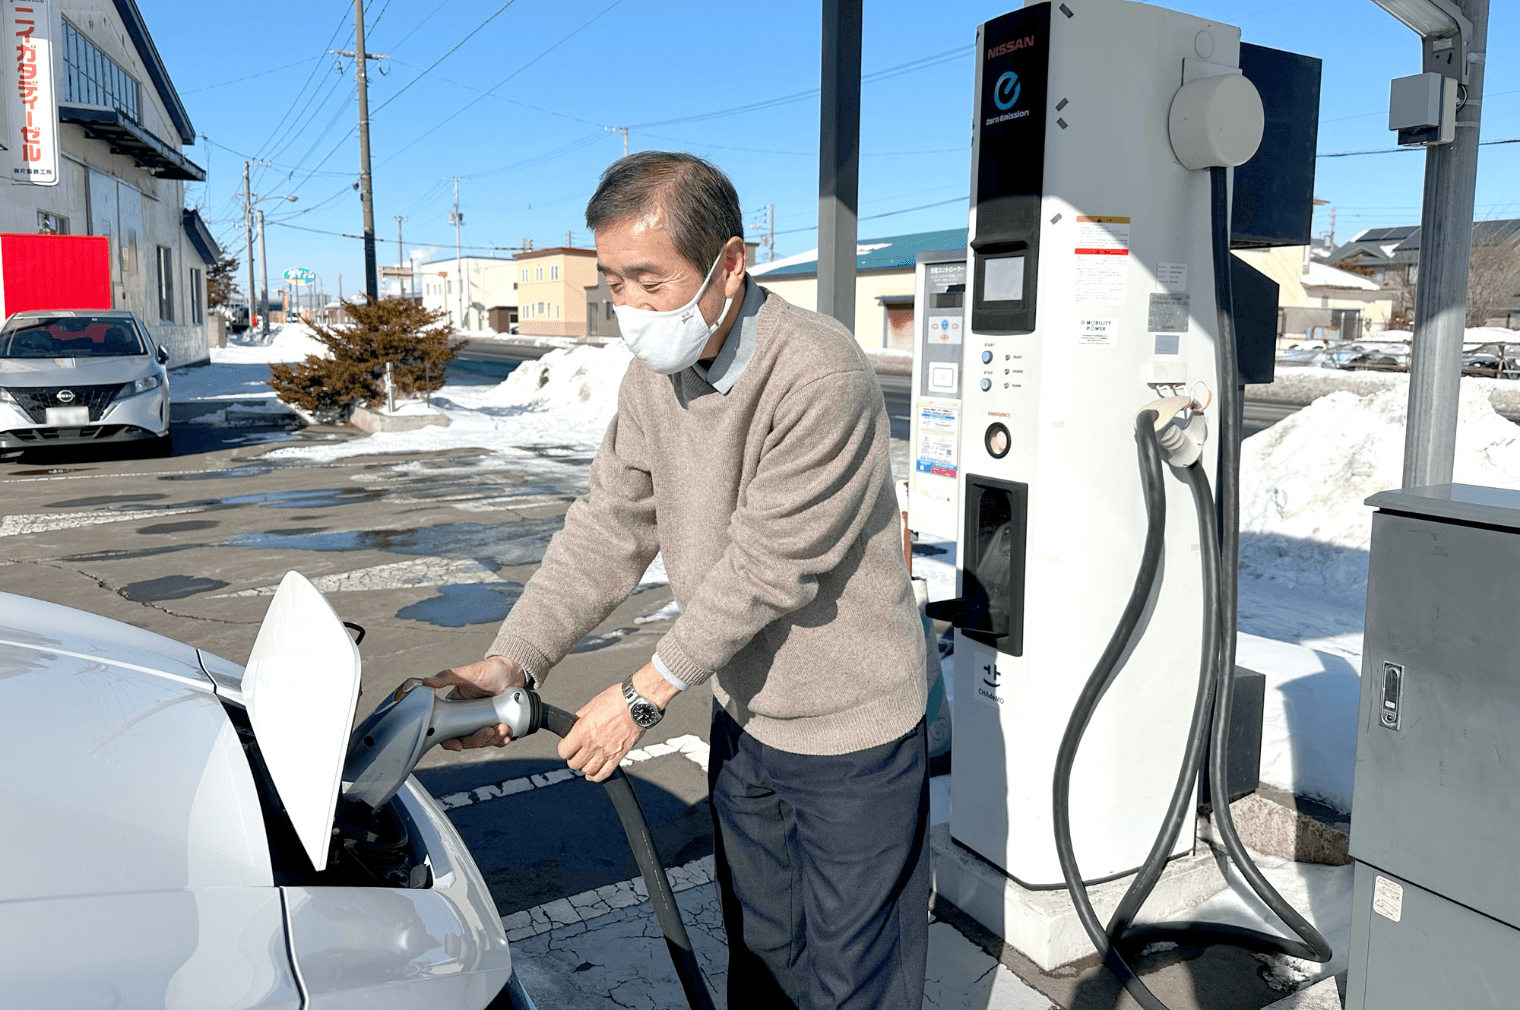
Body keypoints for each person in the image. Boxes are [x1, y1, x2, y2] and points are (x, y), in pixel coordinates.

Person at [424, 151, 929, 1009]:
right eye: (614, 283)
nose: (630, 310)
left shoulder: (818, 372)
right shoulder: (654, 378)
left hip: (853, 730)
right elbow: (607, 528)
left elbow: (770, 567)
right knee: (763, 951)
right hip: (746, 714)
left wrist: (644, 693)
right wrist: (513, 661)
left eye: (650, 283)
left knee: (856, 978)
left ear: (730, 264)